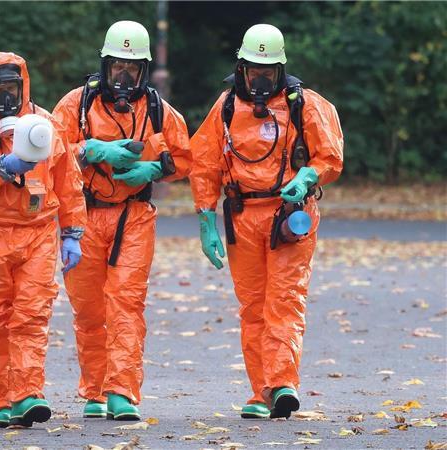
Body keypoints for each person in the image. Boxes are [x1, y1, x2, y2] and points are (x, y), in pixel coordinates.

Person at [189, 24, 343, 419]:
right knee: (253, 307)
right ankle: (262, 392)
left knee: (285, 300)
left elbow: (329, 155)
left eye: (268, 72)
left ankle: (282, 383)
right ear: (241, 68)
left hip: (290, 216)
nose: (260, 79)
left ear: (280, 70)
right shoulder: (225, 108)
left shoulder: (303, 105)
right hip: (242, 216)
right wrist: (206, 218)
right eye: (253, 70)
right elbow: (204, 163)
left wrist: (307, 176)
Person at [52, 21, 192, 421]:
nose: (124, 76)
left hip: (134, 216)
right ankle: (94, 390)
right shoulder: (76, 105)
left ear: (144, 70)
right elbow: (49, 154)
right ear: (105, 64)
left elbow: (186, 156)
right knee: (89, 309)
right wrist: (89, 151)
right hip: (82, 215)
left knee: (127, 304)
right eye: (117, 66)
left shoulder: (159, 111)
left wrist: (152, 171)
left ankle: (122, 391)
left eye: (132, 68)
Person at [0, 52, 86, 428]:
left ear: (23, 86)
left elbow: (67, 181)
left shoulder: (45, 124)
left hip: (36, 233)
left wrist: (72, 232)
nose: (5, 96)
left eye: (11, 87)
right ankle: (1, 400)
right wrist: (1, 170)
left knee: (32, 315)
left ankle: (27, 393)